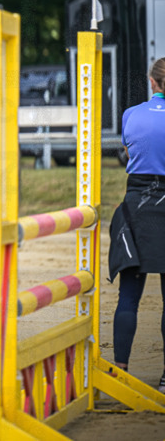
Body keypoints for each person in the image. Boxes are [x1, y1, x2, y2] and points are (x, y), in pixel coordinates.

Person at [110, 58, 165, 394]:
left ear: (151, 82)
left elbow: (129, 156)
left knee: (128, 298)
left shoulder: (131, 114)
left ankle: (121, 373)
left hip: (138, 205)